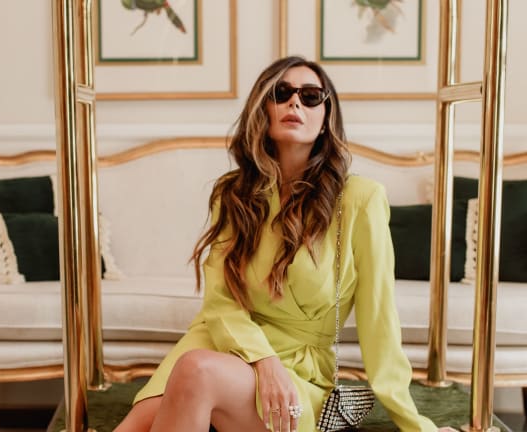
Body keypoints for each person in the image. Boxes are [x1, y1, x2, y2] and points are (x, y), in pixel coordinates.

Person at [114, 56, 458, 432]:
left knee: (196, 371)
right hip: (222, 340)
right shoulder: (234, 193)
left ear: (326, 118)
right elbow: (220, 300)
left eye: (311, 96)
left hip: (297, 368)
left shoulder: (360, 199)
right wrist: (263, 361)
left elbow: (380, 318)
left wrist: (414, 423)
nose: (295, 102)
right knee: (137, 423)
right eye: (282, 93)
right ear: (263, 109)